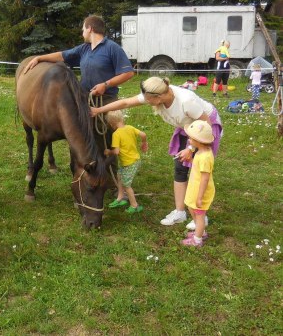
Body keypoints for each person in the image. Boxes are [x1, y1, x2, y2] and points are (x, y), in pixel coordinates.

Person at [91, 76, 222, 228]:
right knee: (180, 169)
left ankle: (201, 216)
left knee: (198, 173)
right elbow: (126, 102)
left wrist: (191, 148)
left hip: (204, 130)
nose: (147, 102)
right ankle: (180, 212)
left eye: (149, 100)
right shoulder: (155, 92)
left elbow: (206, 124)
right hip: (188, 128)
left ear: (158, 97)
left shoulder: (186, 101)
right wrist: (98, 110)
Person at [23, 15, 134, 185]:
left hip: (107, 100)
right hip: (85, 100)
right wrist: (40, 58)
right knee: (84, 138)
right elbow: (62, 56)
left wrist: (106, 84)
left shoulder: (112, 48)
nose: (82, 32)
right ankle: (88, 175)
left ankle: (112, 182)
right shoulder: (84, 49)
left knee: (108, 141)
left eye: (83, 28)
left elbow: (128, 73)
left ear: (90, 28)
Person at [104, 110, 148, 214]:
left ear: (111, 124)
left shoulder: (116, 134)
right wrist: (144, 142)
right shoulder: (130, 128)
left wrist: (108, 151)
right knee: (119, 176)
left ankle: (134, 205)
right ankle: (120, 198)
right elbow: (143, 134)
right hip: (132, 160)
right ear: (122, 119)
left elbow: (116, 151)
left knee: (126, 185)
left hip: (130, 163)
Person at [181, 120, 215, 248]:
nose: (189, 140)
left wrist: (200, 197)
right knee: (191, 208)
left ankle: (198, 239)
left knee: (199, 215)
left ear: (199, 141)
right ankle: (199, 232)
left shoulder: (205, 157)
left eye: (191, 138)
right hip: (194, 188)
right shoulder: (201, 152)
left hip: (201, 191)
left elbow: (205, 179)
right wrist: (192, 159)